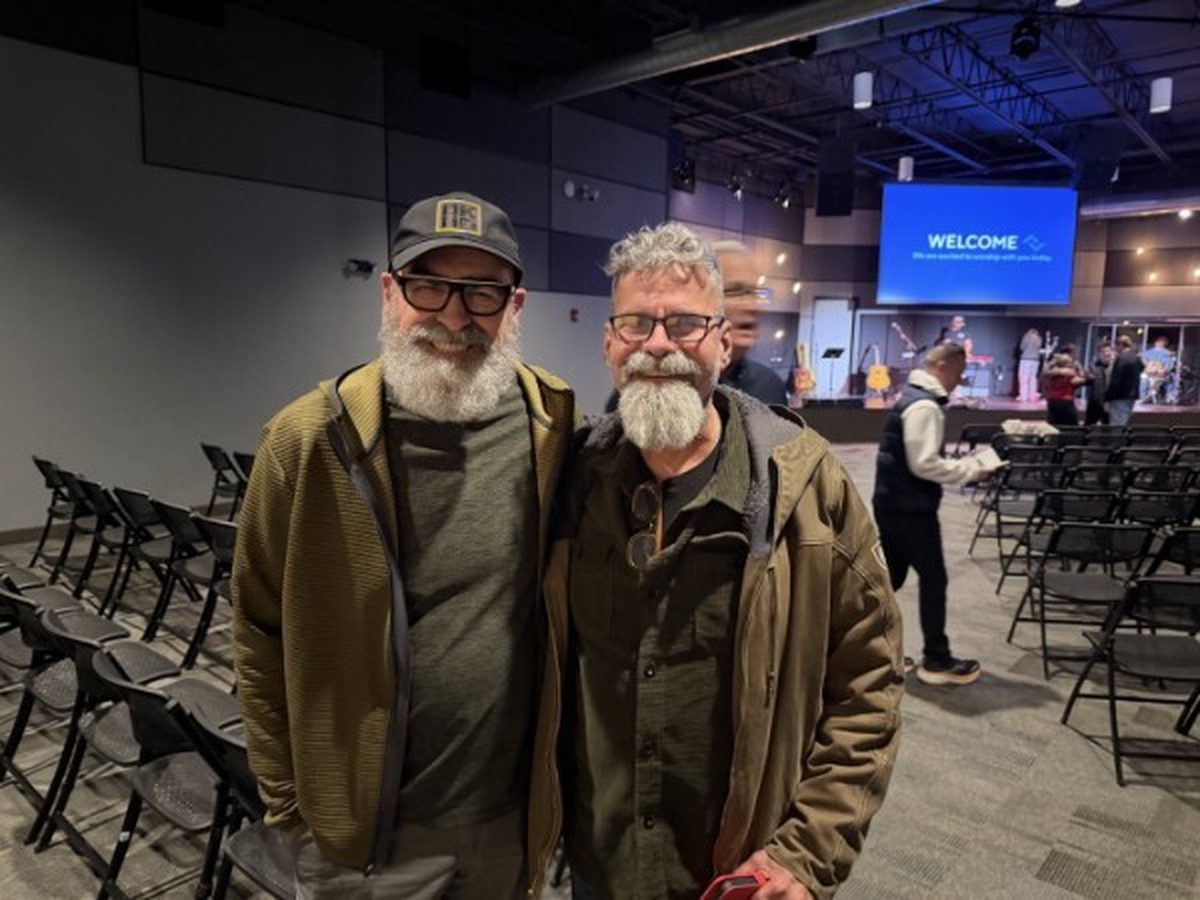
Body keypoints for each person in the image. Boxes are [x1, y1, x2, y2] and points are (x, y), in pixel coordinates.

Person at [232, 192, 576, 899]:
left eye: (483, 292)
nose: (454, 316)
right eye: (429, 285)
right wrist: (291, 806)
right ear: (390, 295)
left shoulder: (554, 426)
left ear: (516, 307)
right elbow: (256, 628)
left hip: (507, 826)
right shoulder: (306, 441)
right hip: (365, 845)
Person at [551, 223, 903, 900]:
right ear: (608, 343)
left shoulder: (806, 488)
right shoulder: (572, 480)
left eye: (684, 324)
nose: (658, 345)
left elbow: (870, 680)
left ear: (722, 340)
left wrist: (808, 852)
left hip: (739, 875)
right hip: (600, 866)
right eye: (636, 323)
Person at [873, 342, 998, 687]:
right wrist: (971, 470)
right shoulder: (924, 406)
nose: (960, 380)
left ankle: (863, 647)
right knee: (933, 579)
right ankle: (937, 659)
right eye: (959, 372)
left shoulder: (911, 397)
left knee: (888, 581)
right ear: (942, 366)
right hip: (910, 507)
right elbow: (924, 464)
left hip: (892, 501)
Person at [711, 241, 789, 405]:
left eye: (754, 293)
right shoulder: (673, 386)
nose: (753, 306)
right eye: (734, 292)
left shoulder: (769, 387)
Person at [1040, 344, 1085, 426]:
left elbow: (1081, 376)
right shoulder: (1057, 364)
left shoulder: (1074, 364)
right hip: (1059, 400)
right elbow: (1044, 373)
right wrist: (1060, 371)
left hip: (1061, 399)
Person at [1105, 334, 1143, 426]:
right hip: (1132, 396)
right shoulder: (1136, 358)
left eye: (1116, 346)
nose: (1115, 348)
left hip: (1119, 396)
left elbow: (1115, 379)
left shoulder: (1121, 358)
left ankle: (1116, 440)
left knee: (1116, 425)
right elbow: (1142, 368)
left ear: (1121, 345)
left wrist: (1107, 397)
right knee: (1124, 422)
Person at [1084, 342, 1114, 426]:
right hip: (1094, 403)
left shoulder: (1116, 367)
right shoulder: (1092, 367)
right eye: (1103, 351)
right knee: (1088, 428)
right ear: (1099, 353)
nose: (1106, 354)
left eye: (1108, 351)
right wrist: (1087, 377)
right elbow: (1087, 382)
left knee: (1108, 429)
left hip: (1109, 403)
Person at [1017, 328, 1042, 403]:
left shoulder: (1026, 337)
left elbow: (1022, 347)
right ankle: (1032, 396)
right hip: (1035, 360)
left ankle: (1023, 397)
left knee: (1024, 378)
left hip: (1025, 359)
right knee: (1033, 378)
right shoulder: (1039, 339)